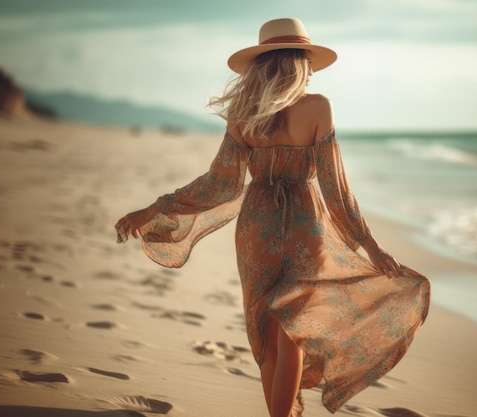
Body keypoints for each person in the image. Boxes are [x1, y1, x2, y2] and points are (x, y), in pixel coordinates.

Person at [115, 18, 430, 417]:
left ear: (264, 64)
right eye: (308, 60)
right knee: (292, 333)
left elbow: (220, 185)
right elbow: (335, 189)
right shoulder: (319, 107)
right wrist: (369, 244)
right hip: (305, 224)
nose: (312, 70)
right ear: (298, 62)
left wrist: (154, 209)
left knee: (267, 332)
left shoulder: (243, 115)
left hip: (256, 227)